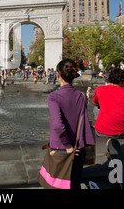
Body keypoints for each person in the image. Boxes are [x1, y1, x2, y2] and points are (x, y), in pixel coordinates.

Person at [46, 59, 95, 189]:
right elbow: (84, 123)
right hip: (79, 148)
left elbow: (58, 125)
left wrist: (67, 146)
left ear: (57, 74)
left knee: (57, 185)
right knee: (74, 184)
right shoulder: (83, 96)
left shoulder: (53, 97)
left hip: (62, 149)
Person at [93, 68, 124, 138]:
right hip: (121, 132)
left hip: (101, 131)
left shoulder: (99, 89)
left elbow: (95, 102)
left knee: (96, 107)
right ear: (122, 82)